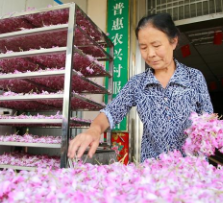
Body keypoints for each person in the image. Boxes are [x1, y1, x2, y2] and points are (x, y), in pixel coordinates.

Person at [68, 13, 213, 162]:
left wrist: (210, 128)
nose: (150, 54)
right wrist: (94, 130)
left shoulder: (194, 77)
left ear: (173, 42)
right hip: (153, 174)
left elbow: (208, 118)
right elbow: (111, 112)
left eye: (156, 45)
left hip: (191, 171)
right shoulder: (137, 84)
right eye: (143, 47)